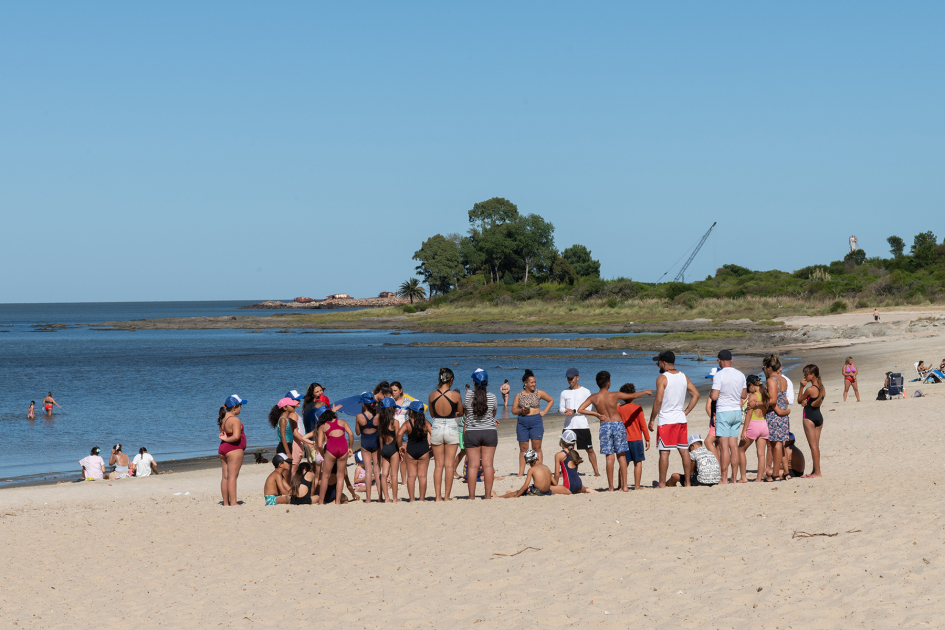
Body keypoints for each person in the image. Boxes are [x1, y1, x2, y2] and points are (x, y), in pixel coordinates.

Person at [577, 371, 653, 492]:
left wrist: (596, 414)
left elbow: (580, 409)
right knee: (621, 456)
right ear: (608, 383)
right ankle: (625, 486)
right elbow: (632, 396)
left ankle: (611, 487)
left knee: (609, 457)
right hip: (617, 424)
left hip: (605, 425)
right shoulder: (614, 395)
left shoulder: (594, 397)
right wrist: (645, 391)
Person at [648, 351, 700, 488]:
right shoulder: (684, 377)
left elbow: (658, 400)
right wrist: (686, 411)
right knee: (684, 451)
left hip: (666, 420)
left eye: (658, 362)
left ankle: (661, 484)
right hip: (680, 419)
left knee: (664, 452)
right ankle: (688, 483)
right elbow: (696, 394)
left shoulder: (662, 378)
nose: (657, 364)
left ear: (664, 363)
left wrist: (652, 418)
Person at [706, 350, 747, 485]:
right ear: (732, 359)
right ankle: (734, 478)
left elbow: (714, 397)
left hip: (724, 411)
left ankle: (723, 478)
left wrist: (712, 391)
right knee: (734, 446)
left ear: (719, 360)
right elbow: (744, 395)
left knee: (724, 447)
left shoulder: (719, 375)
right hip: (736, 410)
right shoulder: (740, 374)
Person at [464, 369, 499, 500]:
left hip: (472, 432)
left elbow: (466, 413)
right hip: (489, 431)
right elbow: (493, 414)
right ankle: (487, 496)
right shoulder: (493, 396)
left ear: (473, 382)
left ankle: (472, 497)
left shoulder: (468, 396)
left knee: (473, 465)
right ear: (487, 382)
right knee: (488, 465)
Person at [428, 368, 463, 502]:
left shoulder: (432, 395)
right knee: (449, 465)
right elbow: (460, 412)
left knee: (438, 465)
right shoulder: (455, 395)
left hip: (436, 426)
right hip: (451, 426)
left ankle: (437, 497)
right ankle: (447, 497)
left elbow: (432, 414)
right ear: (451, 380)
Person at [558, 368, 600, 477]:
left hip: (582, 426)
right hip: (568, 426)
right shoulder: (564, 392)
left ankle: (596, 472)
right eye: (568, 378)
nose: (570, 380)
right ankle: (566, 471)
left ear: (577, 377)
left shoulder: (585, 391)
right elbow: (561, 408)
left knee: (589, 449)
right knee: (566, 450)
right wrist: (565, 411)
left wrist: (574, 411)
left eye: (572, 378)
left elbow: (589, 407)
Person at [511, 369, 554, 476]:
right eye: (531, 382)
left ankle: (539, 469)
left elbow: (551, 400)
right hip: (522, 422)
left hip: (536, 421)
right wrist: (521, 411)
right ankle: (521, 472)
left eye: (535, 382)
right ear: (525, 383)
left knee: (537, 448)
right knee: (523, 449)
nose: (534, 384)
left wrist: (544, 412)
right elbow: (513, 410)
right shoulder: (519, 395)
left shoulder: (539, 393)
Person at [316, 409, 353, 505]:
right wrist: (350, 447)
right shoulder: (342, 421)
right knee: (340, 476)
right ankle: (337, 502)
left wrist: (323, 455)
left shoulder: (322, 427)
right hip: (343, 447)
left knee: (325, 476)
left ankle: (321, 501)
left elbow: (320, 445)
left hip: (331, 448)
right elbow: (351, 434)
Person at [763, 355, 791, 482]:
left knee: (776, 444)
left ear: (769, 368)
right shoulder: (783, 379)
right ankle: (783, 472)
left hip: (775, 414)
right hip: (783, 414)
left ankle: (775, 473)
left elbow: (773, 400)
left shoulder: (771, 380)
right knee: (780, 443)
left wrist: (761, 403)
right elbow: (782, 398)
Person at [617, 384, 650, 491]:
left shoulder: (619, 408)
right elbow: (643, 425)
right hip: (636, 439)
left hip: (623, 439)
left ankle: (621, 485)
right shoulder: (638, 408)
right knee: (638, 462)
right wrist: (647, 438)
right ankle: (637, 486)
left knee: (623, 463)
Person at [737, 375, 769, 483]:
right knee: (761, 454)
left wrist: (744, 430)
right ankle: (758, 479)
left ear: (750, 385)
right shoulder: (766, 395)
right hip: (764, 424)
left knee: (740, 450)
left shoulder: (753, 396)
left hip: (753, 425)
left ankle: (743, 477)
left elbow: (749, 415)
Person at [398, 400, 431, 502]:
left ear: (411, 411)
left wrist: (400, 446)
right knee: (422, 476)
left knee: (411, 476)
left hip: (411, 450)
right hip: (424, 450)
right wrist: (432, 446)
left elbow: (399, 434)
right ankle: (422, 499)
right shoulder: (426, 423)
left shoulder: (407, 423)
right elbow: (433, 433)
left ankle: (412, 499)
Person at [218, 395, 247, 506]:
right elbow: (236, 437)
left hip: (223, 448)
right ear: (235, 407)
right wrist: (227, 438)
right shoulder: (235, 420)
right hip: (234, 449)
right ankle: (233, 502)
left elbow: (223, 432)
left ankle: (226, 502)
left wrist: (225, 438)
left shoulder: (223, 418)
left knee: (225, 477)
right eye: (240, 406)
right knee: (232, 477)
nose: (241, 408)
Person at [798, 364, 825, 478]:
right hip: (818, 417)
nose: (804, 376)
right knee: (816, 446)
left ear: (812, 375)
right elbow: (813, 402)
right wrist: (806, 402)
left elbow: (799, 399)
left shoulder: (809, 389)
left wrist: (800, 387)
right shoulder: (822, 388)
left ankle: (817, 472)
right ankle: (815, 470)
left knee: (813, 446)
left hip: (809, 417)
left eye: (807, 373)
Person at [355, 392, 381, 503]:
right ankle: (380, 497)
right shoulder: (378, 416)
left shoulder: (359, 416)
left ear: (363, 404)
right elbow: (380, 430)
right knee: (377, 469)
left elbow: (357, 432)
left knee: (368, 471)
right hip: (375, 442)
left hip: (365, 443)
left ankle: (369, 499)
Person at [377, 396, 402, 503]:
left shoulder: (380, 423)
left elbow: (380, 439)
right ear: (392, 408)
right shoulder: (395, 422)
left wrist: (382, 451)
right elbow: (398, 437)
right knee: (394, 475)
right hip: (393, 448)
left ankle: (386, 498)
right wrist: (400, 450)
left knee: (384, 474)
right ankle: (395, 498)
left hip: (385, 449)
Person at [269, 397, 301, 461]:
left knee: (288, 468)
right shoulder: (283, 419)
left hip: (288, 445)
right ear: (285, 408)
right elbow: (283, 437)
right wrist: (288, 452)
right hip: (283, 447)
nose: (294, 406)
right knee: (285, 469)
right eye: (292, 405)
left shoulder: (287, 419)